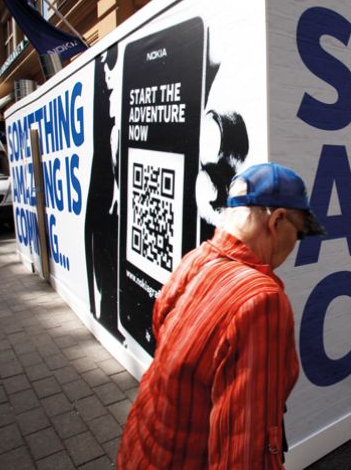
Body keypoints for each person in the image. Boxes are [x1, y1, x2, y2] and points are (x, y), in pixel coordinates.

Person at [117, 162, 324, 470]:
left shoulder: (195, 260)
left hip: (138, 451)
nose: (296, 245)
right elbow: (245, 447)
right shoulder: (261, 301)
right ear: (277, 220)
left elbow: (161, 330)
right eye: (299, 233)